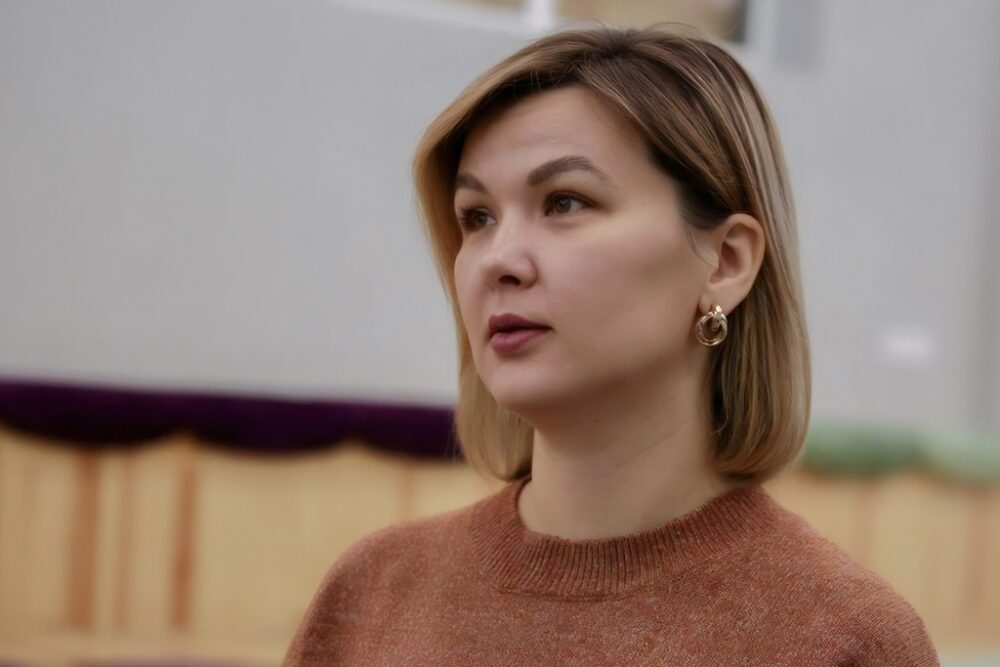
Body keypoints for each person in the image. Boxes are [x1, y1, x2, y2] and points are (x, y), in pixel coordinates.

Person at [282, 23, 939, 666]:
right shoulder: (372, 593)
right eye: (477, 217)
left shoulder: (846, 639)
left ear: (726, 262)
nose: (497, 259)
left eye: (565, 202)